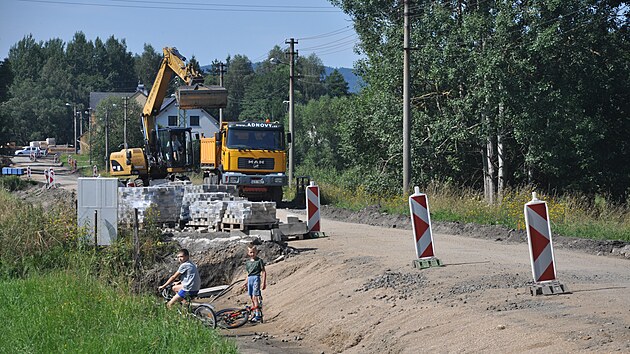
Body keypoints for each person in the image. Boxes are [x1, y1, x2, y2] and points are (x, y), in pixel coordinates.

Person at [242, 243, 266, 322]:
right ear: (248, 253)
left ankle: (258, 315)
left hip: (256, 278)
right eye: (250, 252)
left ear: (256, 252)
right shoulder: (248, 263)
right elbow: (248, 274)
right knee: (252, 297)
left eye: (253, 252)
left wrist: (263, 282)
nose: (252, 254)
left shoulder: (259, 261)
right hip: (250, 279)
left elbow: (263, 272)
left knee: (255, 296)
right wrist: (245, 282)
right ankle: (255, 312)